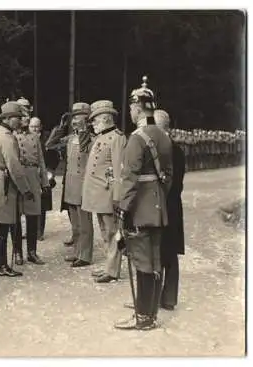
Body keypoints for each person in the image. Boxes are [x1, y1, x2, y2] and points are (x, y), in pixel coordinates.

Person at [114, 76, 173, 330]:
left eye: (131, 108)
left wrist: (122, 208)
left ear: (138, 108)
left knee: (141, 264)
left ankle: (142, 317)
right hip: (159, 209)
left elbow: (129, 178)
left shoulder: (137, 138)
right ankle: (150, 315)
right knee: (155, 262)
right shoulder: (163, 136)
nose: (130, 111)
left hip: (139, 210)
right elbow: (167, 177)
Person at [0, 101, 34, 276]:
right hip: (2, 182)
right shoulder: (7, 137)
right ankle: (1, 265)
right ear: (9, 118)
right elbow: (14, 166)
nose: (20, 121)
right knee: (2, 225)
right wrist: (26, 189)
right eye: (18, 118)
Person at [82, 100, 127, 282]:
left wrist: (117, 197)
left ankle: (112, 270)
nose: (92, 123)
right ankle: (109, 266)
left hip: (109, 194)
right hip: (99, 194)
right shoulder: (100, 137)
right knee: (104, 231)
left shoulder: (117, 138)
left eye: (95, 120)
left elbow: (119, 170)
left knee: (112, 231)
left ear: (106, 119)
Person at [46, 103, 94, 268]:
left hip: (83, 185)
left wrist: (83, 129)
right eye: (73, 117)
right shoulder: (70, 138)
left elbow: (83, 143)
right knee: (75, 223)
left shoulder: (90, 138)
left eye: (78, 117)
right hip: (71, 185)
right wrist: (60, 127)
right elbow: (50, 145)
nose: (74, 120)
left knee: (85, 223)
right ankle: (77, 251)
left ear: (87, 119)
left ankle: (85, 255)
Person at [154, 109, 185, 310]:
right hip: (172, 206)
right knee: (169, 253)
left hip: (163, 205)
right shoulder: (176, 149)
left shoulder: (163, 149)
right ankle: (168, 298)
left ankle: (155, 297)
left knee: (159, 251)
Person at [12, 111, 50, 265]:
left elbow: (41, 160)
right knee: (15, 217)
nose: (26, 119)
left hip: (33, 176)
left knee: (33, 216)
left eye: (28, 117)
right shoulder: (12, 136)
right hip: (18, 176)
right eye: (23, 117)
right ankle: (17, 252)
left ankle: (32, 252)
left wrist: (45, 181)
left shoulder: (35, 137)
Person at [29, 117, 60, 240]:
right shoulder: (27, 138)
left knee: (42, 206)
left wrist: (50, 171)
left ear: (41, 126)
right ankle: (31, 230)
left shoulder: (48, 138)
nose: (35, 129)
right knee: (30, 204)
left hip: (45, 175)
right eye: (32, 126)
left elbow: (55, 156)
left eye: (37, 126)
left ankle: (39, 231)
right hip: (31, 175)